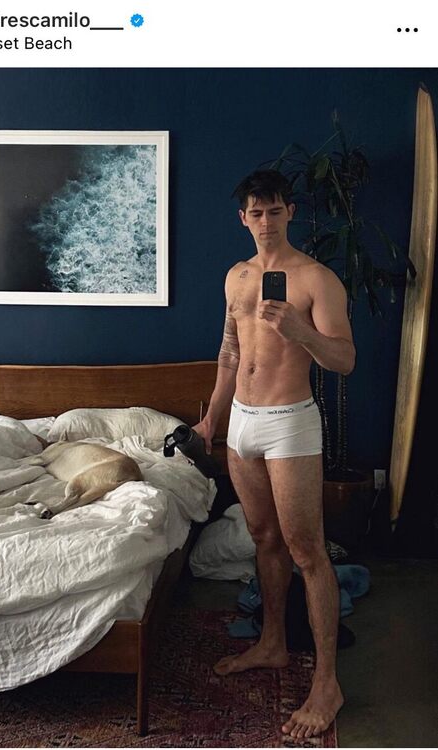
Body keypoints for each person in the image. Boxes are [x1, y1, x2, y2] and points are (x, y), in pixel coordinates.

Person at [193, 169, 355, 739]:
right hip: (242, 423)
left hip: (290, 424)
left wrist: (301, 331)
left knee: (307, 550)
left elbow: (344, 360)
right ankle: (272, 642)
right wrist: (212, 418)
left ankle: (327, 683)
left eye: (275, 211)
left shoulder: (316, 279)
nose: (266, 222)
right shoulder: (236, 277)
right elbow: (229, 353)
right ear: (243, 219)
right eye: (256, 213)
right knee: (264, 539)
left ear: (291, 213)